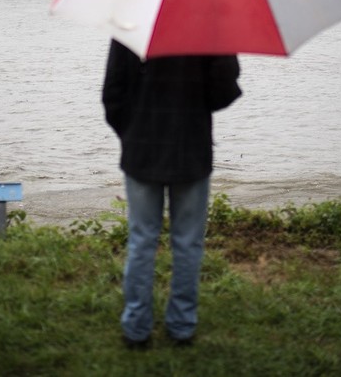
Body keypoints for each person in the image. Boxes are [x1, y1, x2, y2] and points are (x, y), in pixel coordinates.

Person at [101, 39, 242, 348]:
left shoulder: (131, 26)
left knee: (141, 241)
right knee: (188, 243)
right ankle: (181, 327)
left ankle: (136, 330)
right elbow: (224, 93)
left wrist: (132, 134)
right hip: (190, 151)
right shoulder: (208, 30)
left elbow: (112, 94)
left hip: (142, 153)